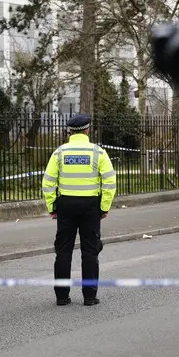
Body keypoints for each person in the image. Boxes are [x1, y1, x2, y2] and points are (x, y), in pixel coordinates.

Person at [42, 113, 117, 306]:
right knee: (90, 252)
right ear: (87, 130)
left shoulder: (59, 153)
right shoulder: (97, 152)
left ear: (69, 131)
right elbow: (109, 181)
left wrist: (52, 206)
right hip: (91, 206)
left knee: (63, 251)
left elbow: (48, 182)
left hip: (66, 205)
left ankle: (62, 297)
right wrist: (104, 206)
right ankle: (90, 297)